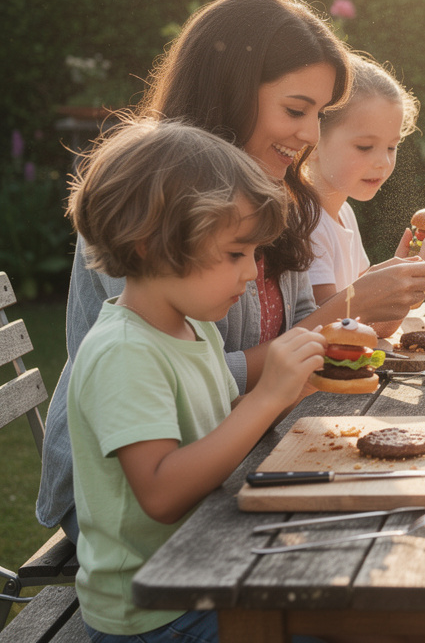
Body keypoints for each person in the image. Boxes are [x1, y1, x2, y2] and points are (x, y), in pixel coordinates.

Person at [37, 0, 425, 543]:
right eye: (296, 110)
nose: (309, 136)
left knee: (396, 528)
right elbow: (178, 378)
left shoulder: (280, 190)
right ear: (229, 90)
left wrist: (361, 316)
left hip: (247, 446)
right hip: (125, 502)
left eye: (320, 116)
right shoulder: (150, 195)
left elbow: (299, 321)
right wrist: (343, 311)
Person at [63, 120, 329, 641]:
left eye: (253, 254)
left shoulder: (195, 329)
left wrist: (291, 391)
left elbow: (216, 433)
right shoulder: (124, 352)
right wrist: (265, 398)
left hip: (208, 565)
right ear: (147, 244)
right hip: (156, 611)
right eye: (235, 254)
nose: (252, 273)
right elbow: (161, 493)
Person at [304, 52, 425, 337]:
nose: (384, 162)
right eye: (365, 147)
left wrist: (414, 285)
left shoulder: (343, 214)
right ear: (312, 141)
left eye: (391, 147)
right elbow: (332, 333)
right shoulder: (308, 224)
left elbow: (375, 329)